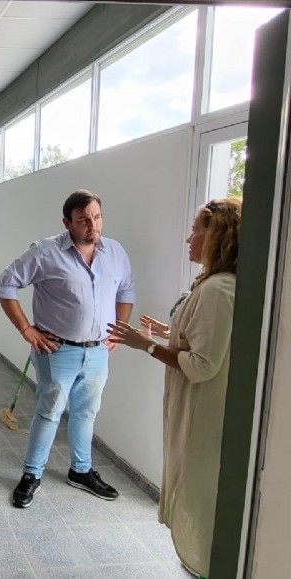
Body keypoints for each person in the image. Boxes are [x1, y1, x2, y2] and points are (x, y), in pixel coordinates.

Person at [108, 197, 241, 579]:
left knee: (198, 490)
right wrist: (165, 334)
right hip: (194, 408)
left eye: (197, 229)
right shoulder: (212, 285)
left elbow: (201, 365)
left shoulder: (219, 289)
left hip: (204, 413)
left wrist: (145, 345)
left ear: (218, 236)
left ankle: (203, 563)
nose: (189, 238)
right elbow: (201, 339)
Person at [0, 189, 136, 509]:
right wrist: (26, 329)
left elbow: (126, 292)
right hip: (58, 351)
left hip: (99, 352)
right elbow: (4, 285)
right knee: (49, 412)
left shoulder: (115, 252)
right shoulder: (45, 252)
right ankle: (31, 474)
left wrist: (119, 334)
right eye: (84, 219)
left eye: (97, 217)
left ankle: (81, 471)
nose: (92, 225)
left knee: (87, 412)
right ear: (67, 222)